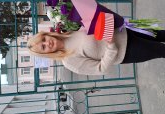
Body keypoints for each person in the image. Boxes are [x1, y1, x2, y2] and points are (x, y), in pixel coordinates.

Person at [27, 27, 165, 76]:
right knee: (161, 50)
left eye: (43, 39)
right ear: (46, 54)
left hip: (125, 31)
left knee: (161, 34)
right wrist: (111, 46)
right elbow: (101, 69)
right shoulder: (69, 61)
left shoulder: (68, 32)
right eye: (43, 47)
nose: (47, 42)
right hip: (127, 51)